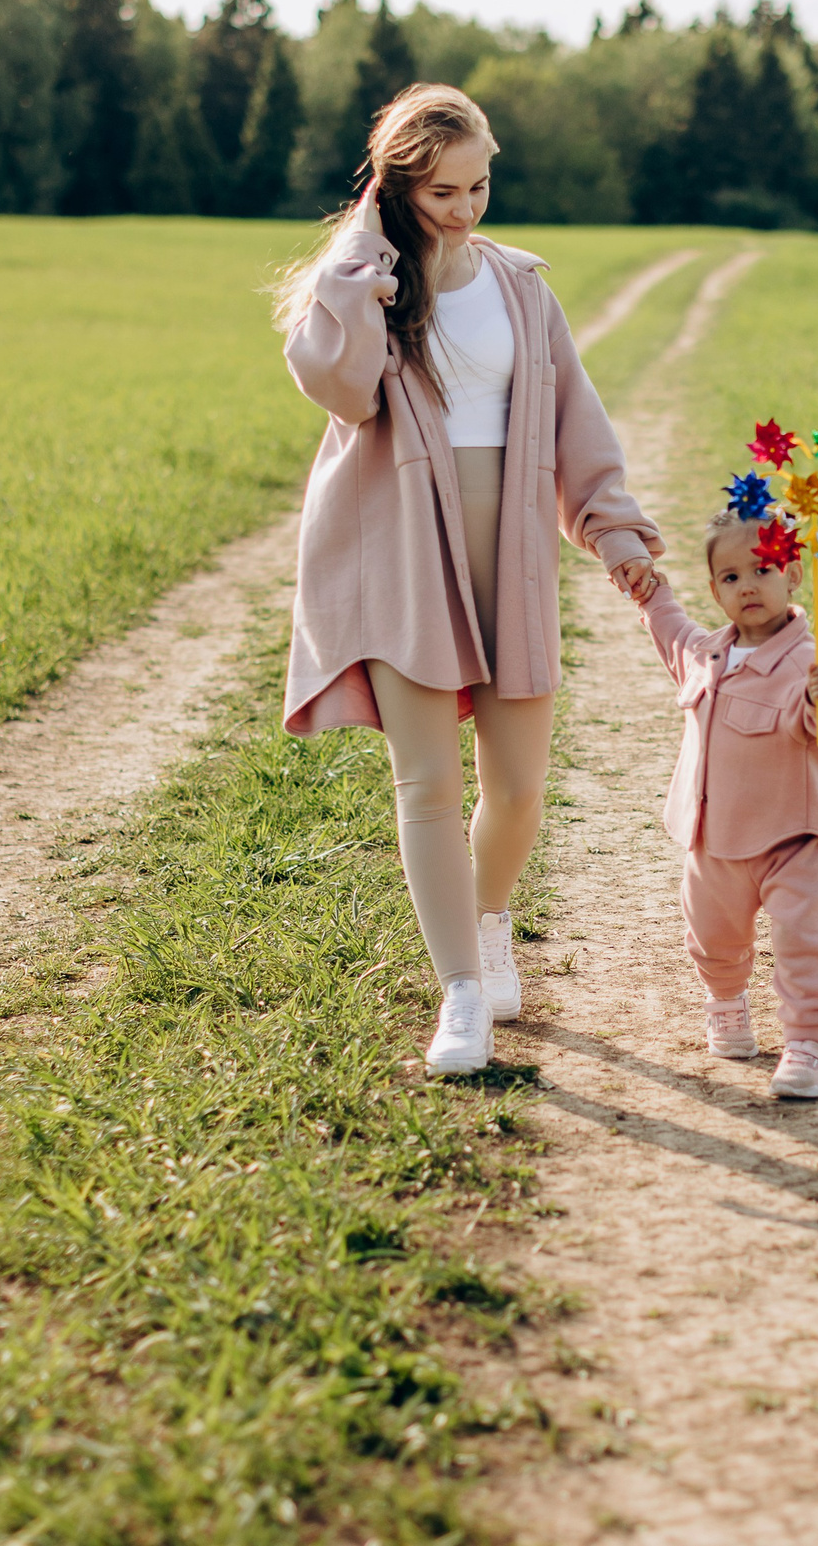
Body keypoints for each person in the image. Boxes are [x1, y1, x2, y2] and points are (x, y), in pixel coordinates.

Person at [274, 83, 663, 1076]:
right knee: (429, 784)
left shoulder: (521, 288)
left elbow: (578, 419)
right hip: (403, 552)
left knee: (521, 787)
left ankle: (486, 918)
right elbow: (337, 387)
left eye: (479, 184)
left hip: (514, 557)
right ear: (398, 185)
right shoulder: (362, 286)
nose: (464, 207)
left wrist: (612, 531)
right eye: (442, 190)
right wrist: (361, 273)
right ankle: (458, 995)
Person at [634, 509, 818, 1098]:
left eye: (762, 569)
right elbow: (668, 625)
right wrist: (648, 588)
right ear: (715, 590)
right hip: (713, 836)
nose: (748, 586)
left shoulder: (803, 663)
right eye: (731, 577)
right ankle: (726, 1006)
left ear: (791, 573)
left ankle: (809, 1045)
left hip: (792, 836)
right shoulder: (706, 654)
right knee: (713, 936)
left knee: (799, 939)